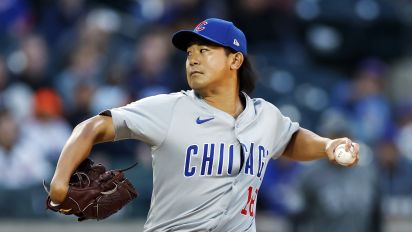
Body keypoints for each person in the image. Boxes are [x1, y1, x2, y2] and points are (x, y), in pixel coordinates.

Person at [49, 18, 360, 232]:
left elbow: (290, 140)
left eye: (205, 51)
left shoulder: (265, 116)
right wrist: (61, 180)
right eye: (190, 53)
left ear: (234, 61)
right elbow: (92, 127)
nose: (193, 59)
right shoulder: (169, 108)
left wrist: (328, 146)